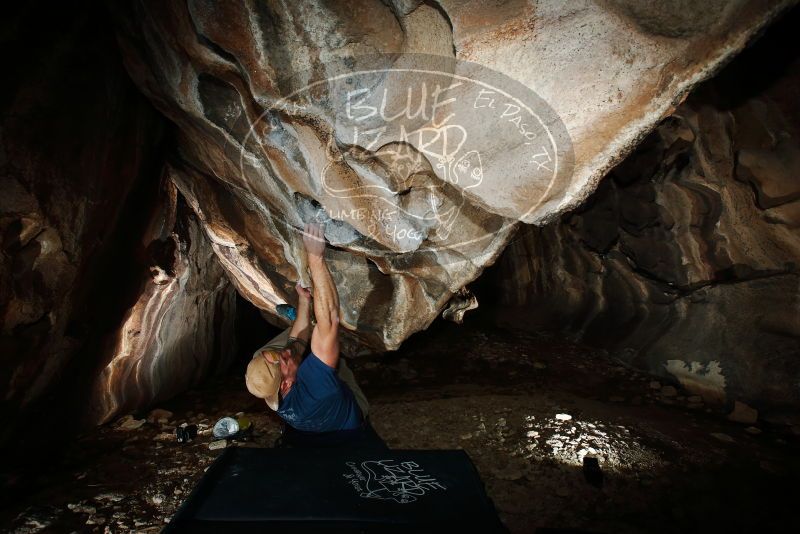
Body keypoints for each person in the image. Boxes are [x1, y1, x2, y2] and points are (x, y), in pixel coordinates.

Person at [245, 222, 386, 449]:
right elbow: (330, 320)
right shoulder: (315, 386)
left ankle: (312, 327)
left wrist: (304, 300)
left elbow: (294, 345)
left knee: (292, 349)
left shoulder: (274, 394)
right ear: (286, 385)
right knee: (334, 358)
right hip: (349, 423)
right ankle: (320, 338)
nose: (285, 354)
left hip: (316, 408)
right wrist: (315, 258)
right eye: (282, 360)